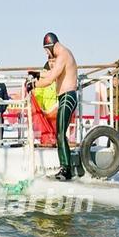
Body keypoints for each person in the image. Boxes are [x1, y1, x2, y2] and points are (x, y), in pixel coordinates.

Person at [27, 32, 79, 181]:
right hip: (64, 97)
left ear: (50, 45)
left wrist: (34, 84)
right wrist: (38, 74)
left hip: (68, 97)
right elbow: (51, 73)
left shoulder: (63, 55)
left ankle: (65, 170)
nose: (46, 54)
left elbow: (50, 79)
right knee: (60, 133)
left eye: (46, 50)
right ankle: (65, 167)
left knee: (60, 133)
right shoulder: (63, 55)